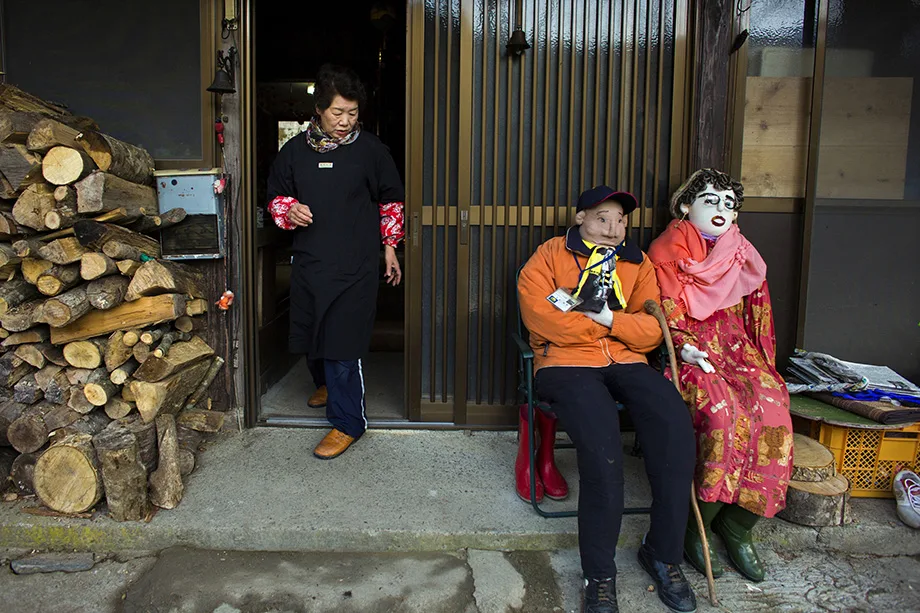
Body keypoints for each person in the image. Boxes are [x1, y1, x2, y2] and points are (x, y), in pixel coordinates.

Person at [517, 186, 697, 613]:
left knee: (675, 429)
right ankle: (598, 575)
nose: (613, 228)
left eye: (621, 220)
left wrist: (610, 321)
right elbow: (543, 320)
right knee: (603, 452)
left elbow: (653, 330)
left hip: (626, 361)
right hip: (565, 363)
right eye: (603, 218)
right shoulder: (548, 256)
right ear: (580, 217)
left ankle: (662, 553)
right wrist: (611, 326)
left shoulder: (637, 263)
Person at [647, 168, 793, 583]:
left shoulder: (743, 253)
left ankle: (739, 525)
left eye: (730, 204)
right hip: (689, 354)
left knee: (774, 413)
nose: (722, 210)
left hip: (740, 353)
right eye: (711, 200)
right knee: (723, 416)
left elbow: (758, 318)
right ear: (685, 205)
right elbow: (657, 311)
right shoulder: (664, 254)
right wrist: (680, 346)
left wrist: (763, 366)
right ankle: (699, 524)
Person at [266, 64, 405, 460]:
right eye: (337, 113)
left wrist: (390, 247)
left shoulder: (371, 151)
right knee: (312, 333)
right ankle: (325, 383)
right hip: (310, 262)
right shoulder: (293, 152)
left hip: (356, 264)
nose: (345, 122)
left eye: (353, 113)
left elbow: (391, 200)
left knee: (344, 343)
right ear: (319, 110)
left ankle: (348, 422)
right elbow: (275, 197)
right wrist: (288, 210)